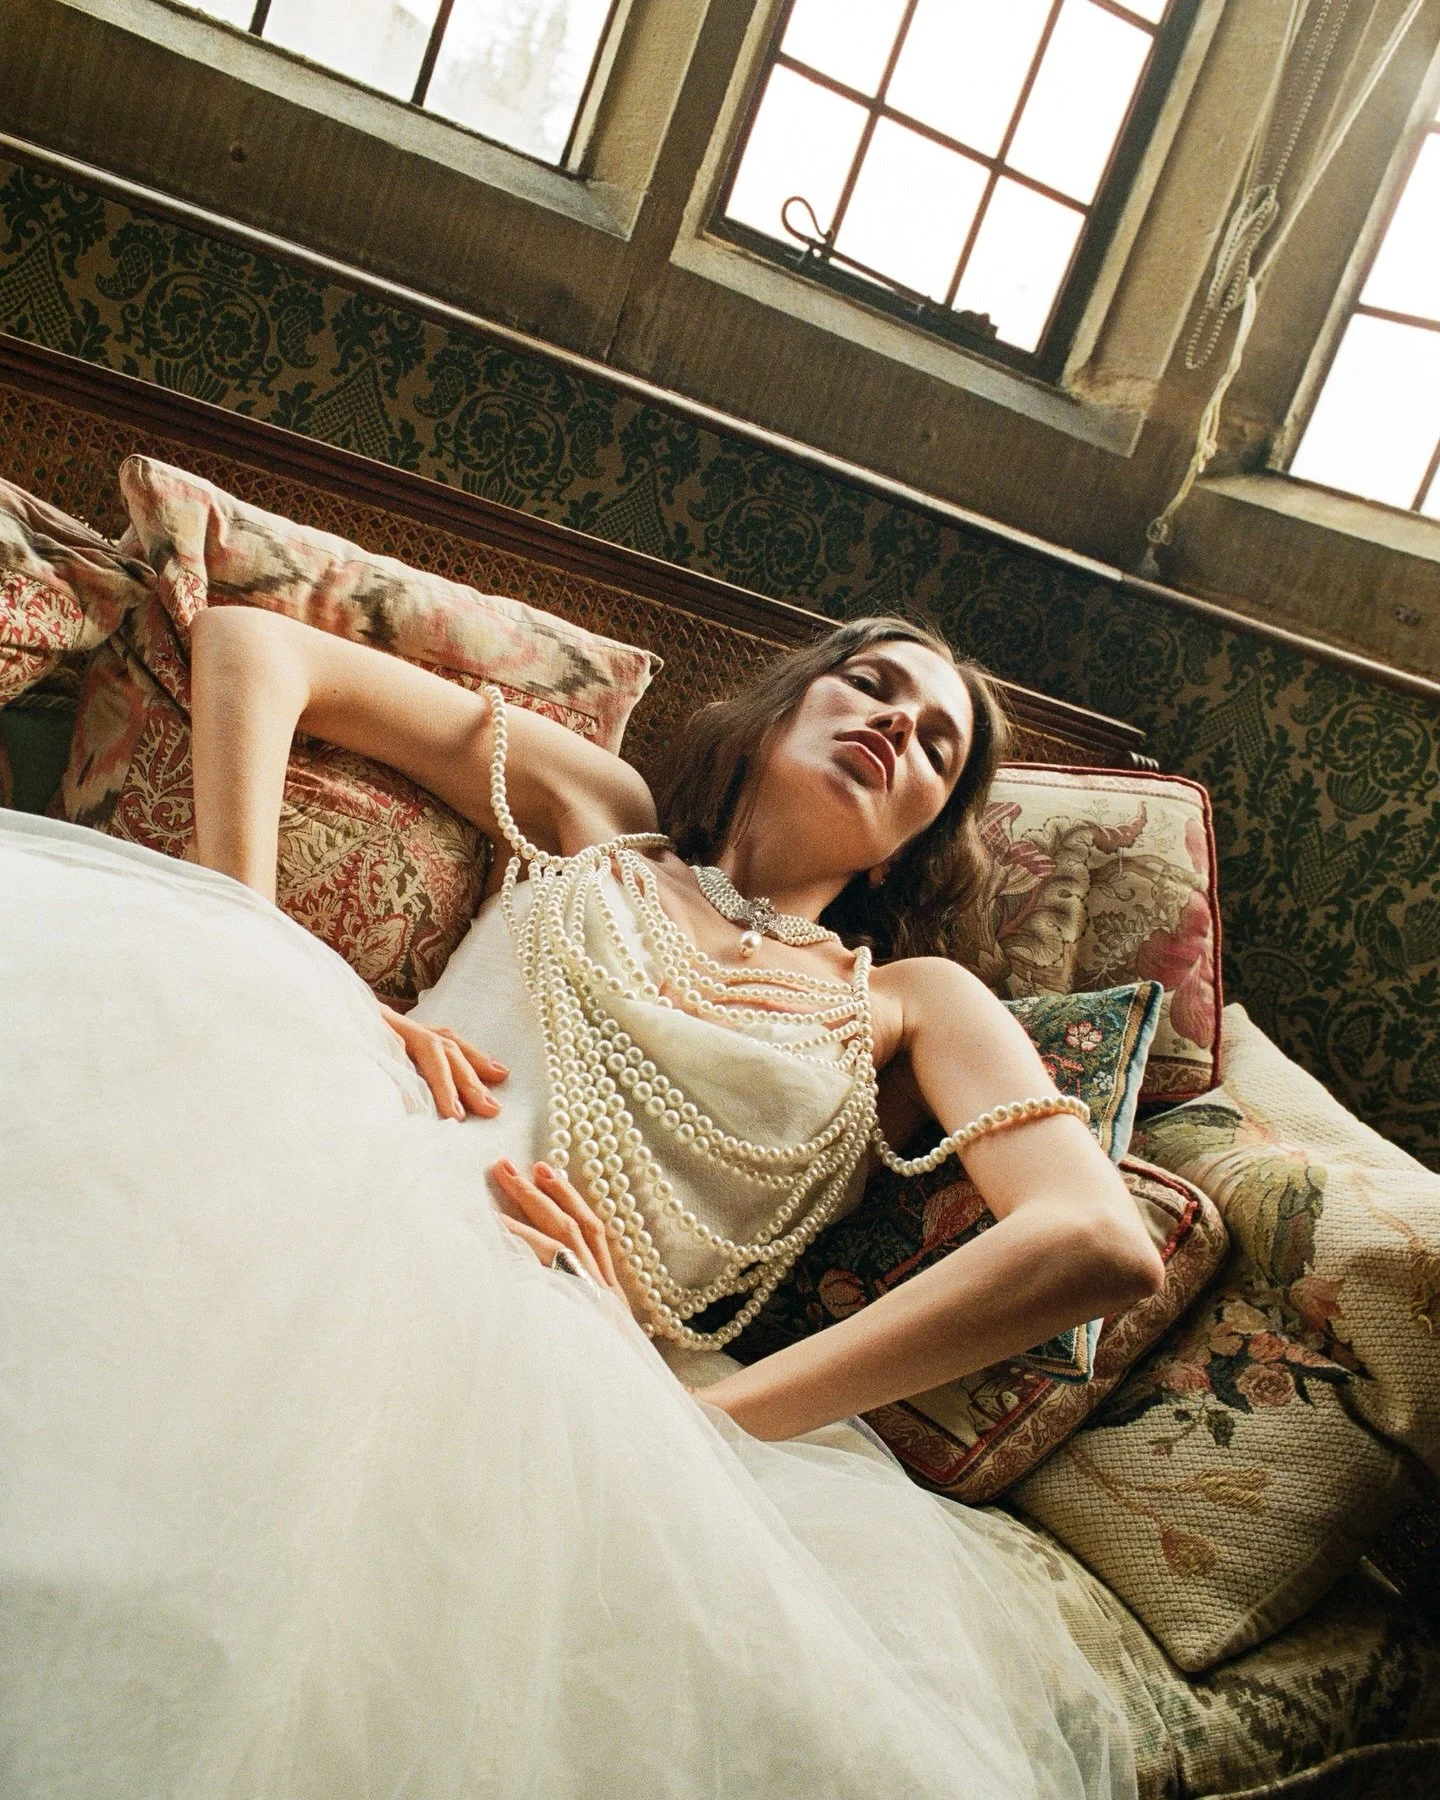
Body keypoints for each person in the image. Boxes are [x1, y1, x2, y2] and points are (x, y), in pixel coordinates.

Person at [0, 609, 1159, 1797]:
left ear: (910, 845)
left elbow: (1095, 1241)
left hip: (574, 1360)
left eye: (933, 747)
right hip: (331, 1181)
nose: (892, 726)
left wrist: (711, 1419)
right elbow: (252, 646)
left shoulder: (914, 1005)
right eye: (869, 685)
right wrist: (270, 957)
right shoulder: (601, 814)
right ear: (786, 706)